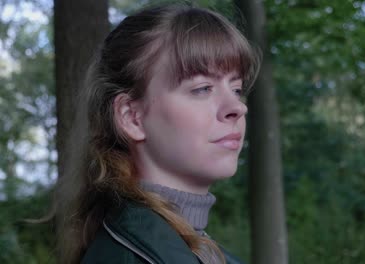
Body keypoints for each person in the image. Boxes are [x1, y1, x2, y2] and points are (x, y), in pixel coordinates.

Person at [53, 3, 260, 264]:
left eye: (236, 88)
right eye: (202, 88)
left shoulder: (201, 252)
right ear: (132, 118)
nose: (237, 107)